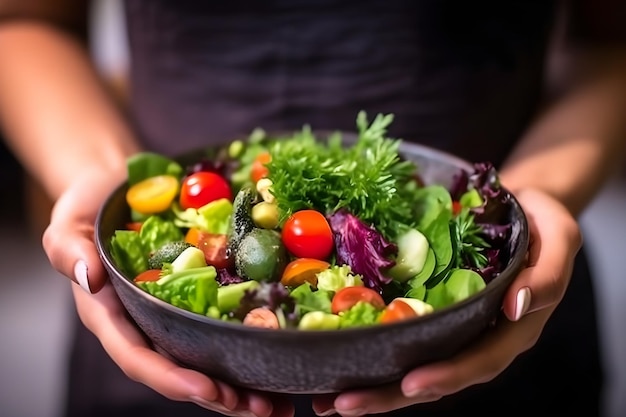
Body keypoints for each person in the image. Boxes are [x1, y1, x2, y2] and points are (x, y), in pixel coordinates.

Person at [0, 1, 625, 416]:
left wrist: (541, 190)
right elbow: (25, 20)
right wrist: (98, 175)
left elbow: (610, 39)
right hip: (160, 334)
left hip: (501, 307)